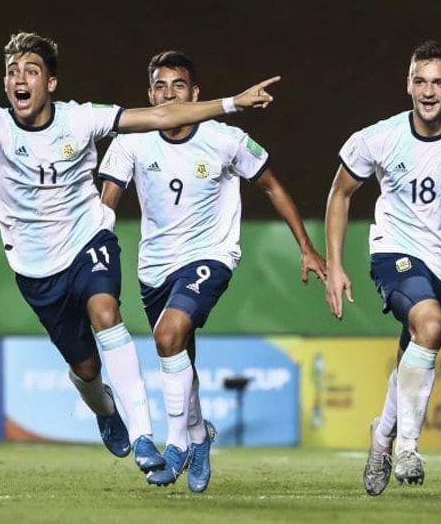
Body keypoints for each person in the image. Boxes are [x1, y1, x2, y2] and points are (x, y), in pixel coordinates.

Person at [0, 32, 278, 478]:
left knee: (107, 312)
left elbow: (161, 114)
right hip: (35, 267)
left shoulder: (83, 120)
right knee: (85, 366)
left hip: (88, 242)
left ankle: (144, 436)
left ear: (51, 83)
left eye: (31, 71)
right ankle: (106, 410)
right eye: (12, 72)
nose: (19, 79)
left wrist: (231, 104)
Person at [98, 50, 325, 492]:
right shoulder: (131, 141)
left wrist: (306, 248)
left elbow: (271, 186)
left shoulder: (225, 139)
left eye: (178, 85)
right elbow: (107, 203)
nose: (169, 94)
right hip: (154, 268)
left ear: (195, 93)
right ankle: (201, 436)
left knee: (167, 336)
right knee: (180, 355)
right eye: (160, 87)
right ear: (149, 95)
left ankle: (177, 444)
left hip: (210, 255)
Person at [324, 40, 441, 495]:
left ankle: (382, 435)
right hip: (395, 250)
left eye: (439, 82)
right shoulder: (379, 138)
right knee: (427, 324)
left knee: (416, 348)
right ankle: (409, 448)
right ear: (407, 84)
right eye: (420, 81)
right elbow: (340, 193)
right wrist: (334, 264)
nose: (428, 91)